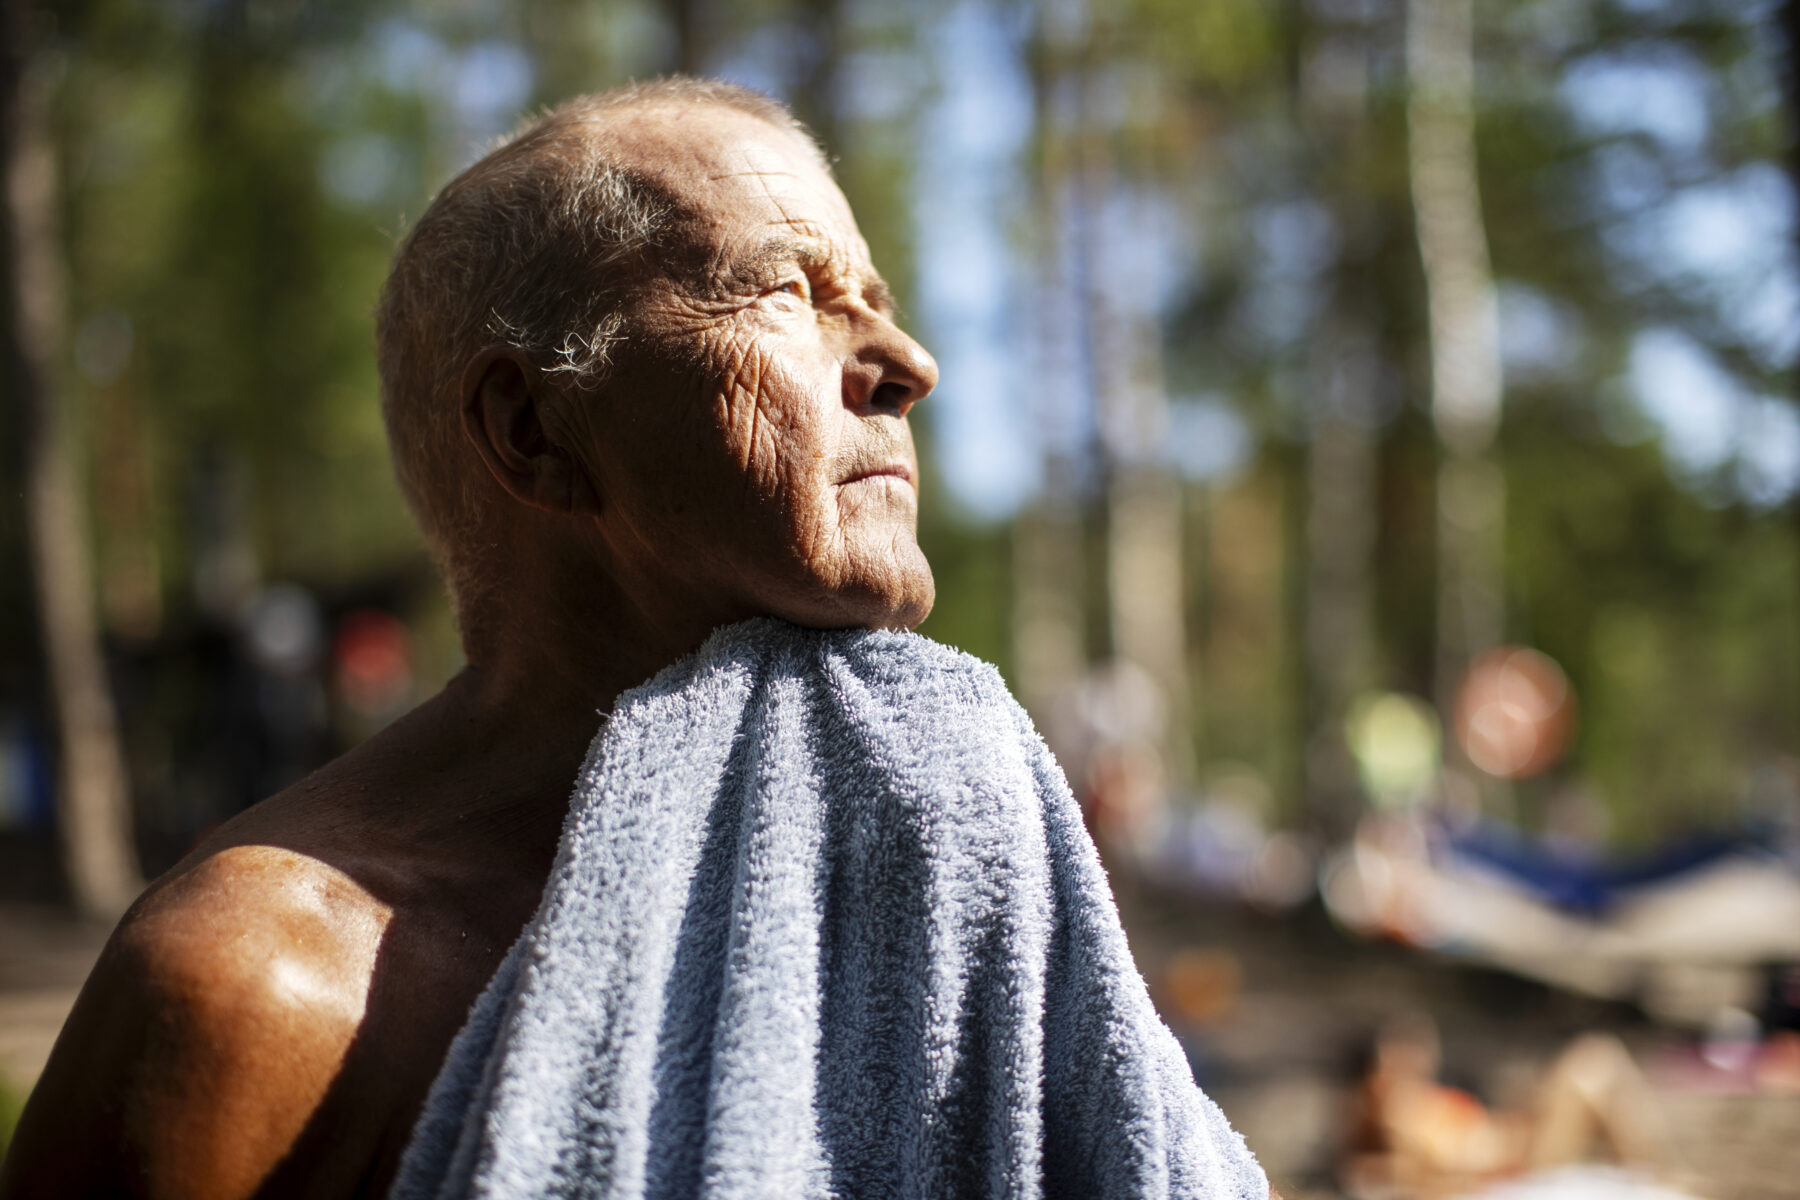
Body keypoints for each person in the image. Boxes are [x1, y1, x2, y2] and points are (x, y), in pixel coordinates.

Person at [0, 79, 1277, 1199]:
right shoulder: (260, 991)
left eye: (877, 300)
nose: (908, 361)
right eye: (793, 293)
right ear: (534, 433)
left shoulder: (932, 852)